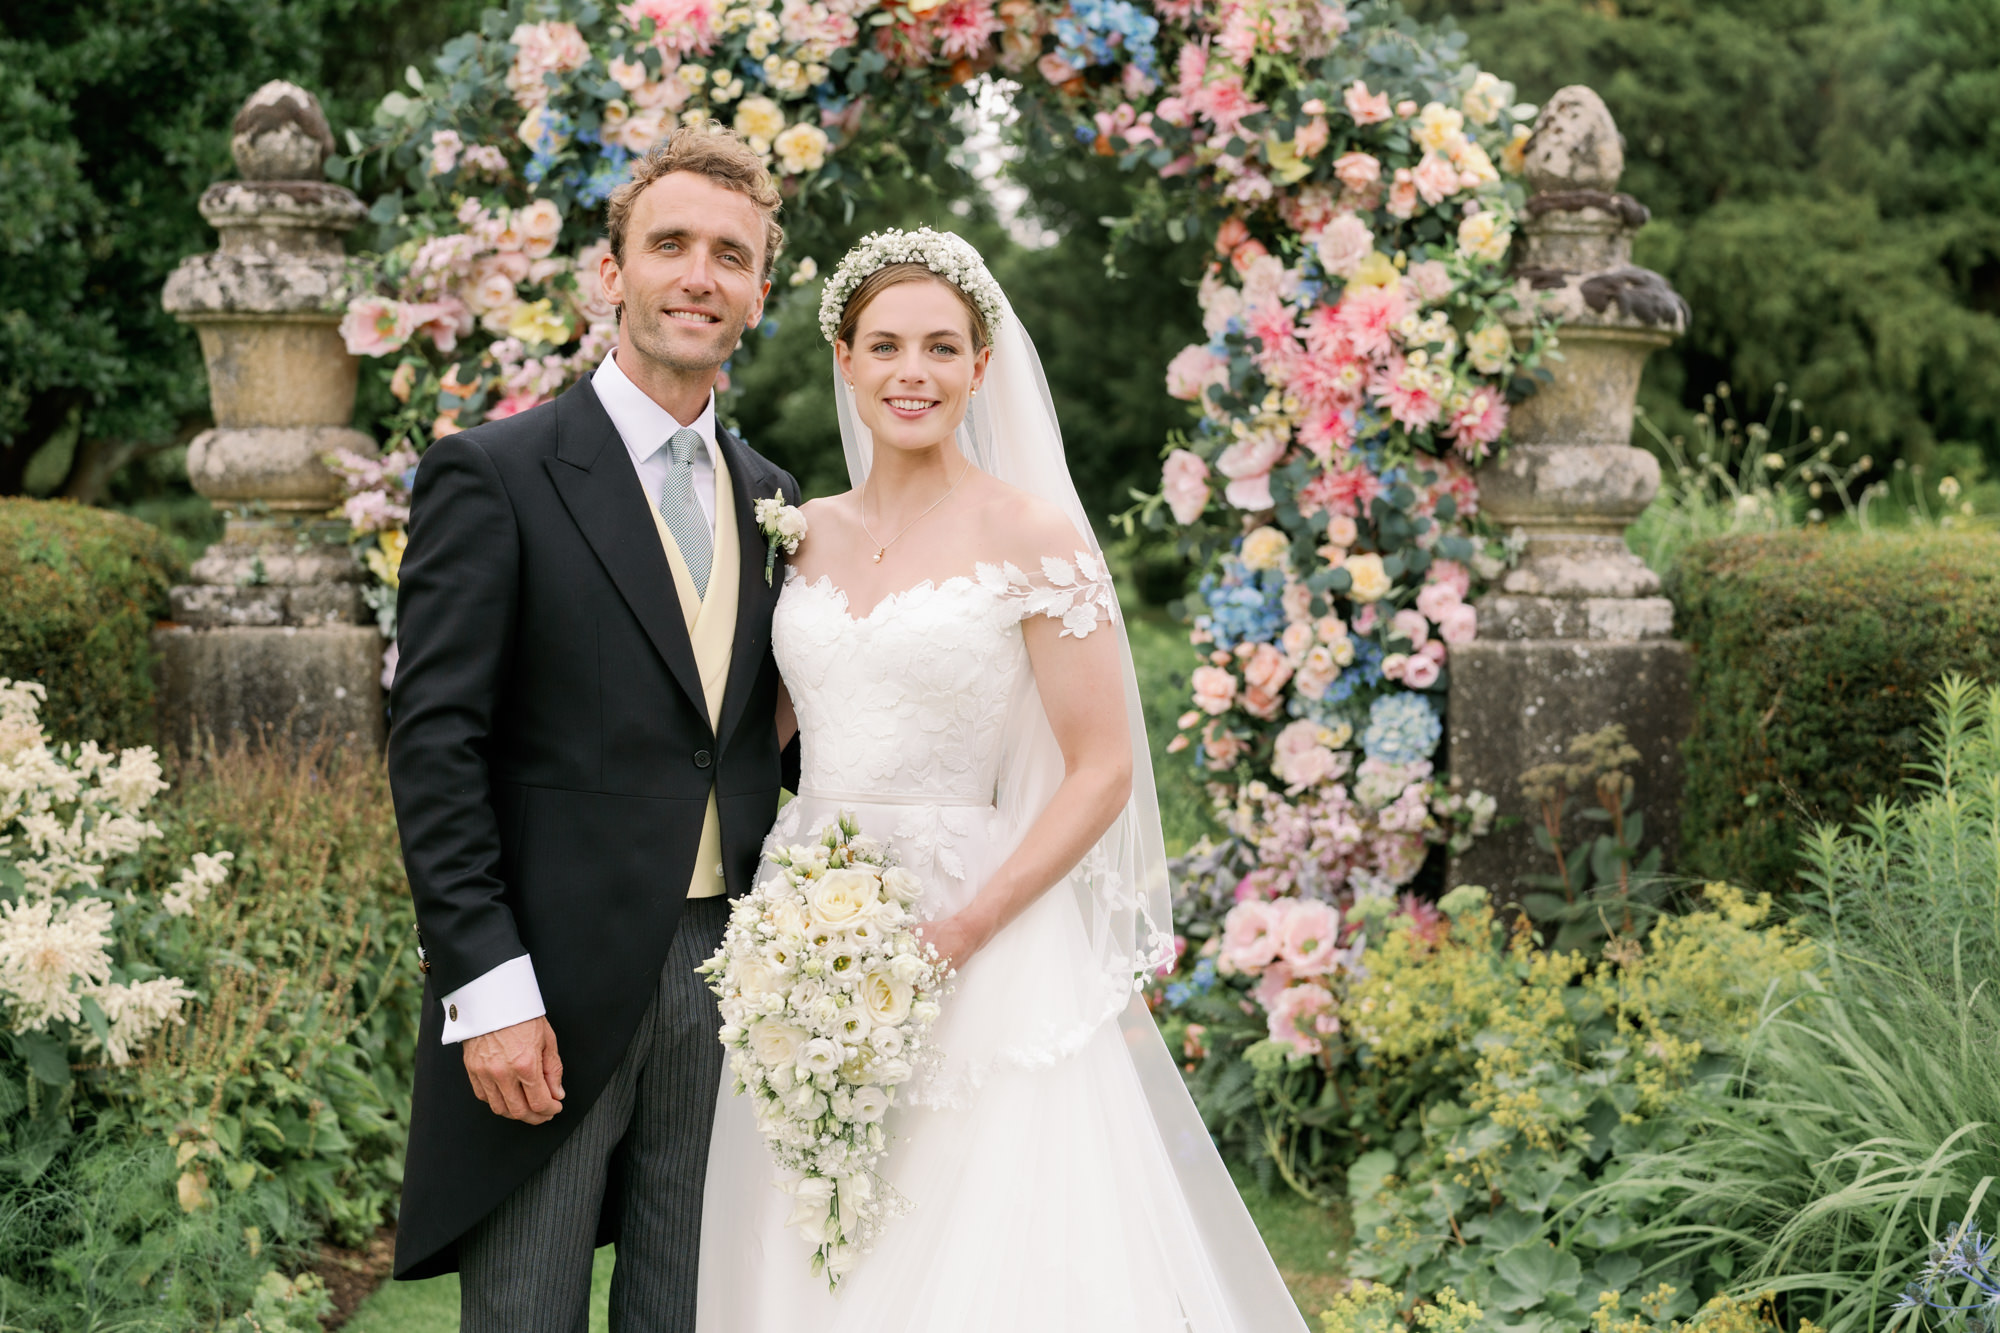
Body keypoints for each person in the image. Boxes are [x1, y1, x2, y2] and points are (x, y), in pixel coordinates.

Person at [693, 228, 1309, 1332]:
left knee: (971, 1236)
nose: (911, 372)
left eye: (940, 347)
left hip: (973, 922)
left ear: (982, 366)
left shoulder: (1033, 536)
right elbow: (758, 726)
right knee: (807, 1212)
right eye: (884, 345)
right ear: (844, 357)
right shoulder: (800, 535)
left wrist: (962, 928)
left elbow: (1103, 768)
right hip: (803, 928)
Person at [385, 126, 800, 1333]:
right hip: (547, 983)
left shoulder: (775, 499)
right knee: (526, 1313)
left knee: (689, 1308)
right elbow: (433, 744)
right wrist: (487, 990)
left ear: (757, 292)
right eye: (668, 244)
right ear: (609, 271)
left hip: (726, 974)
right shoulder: (495, 473)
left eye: (730, 255)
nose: (697, 274)